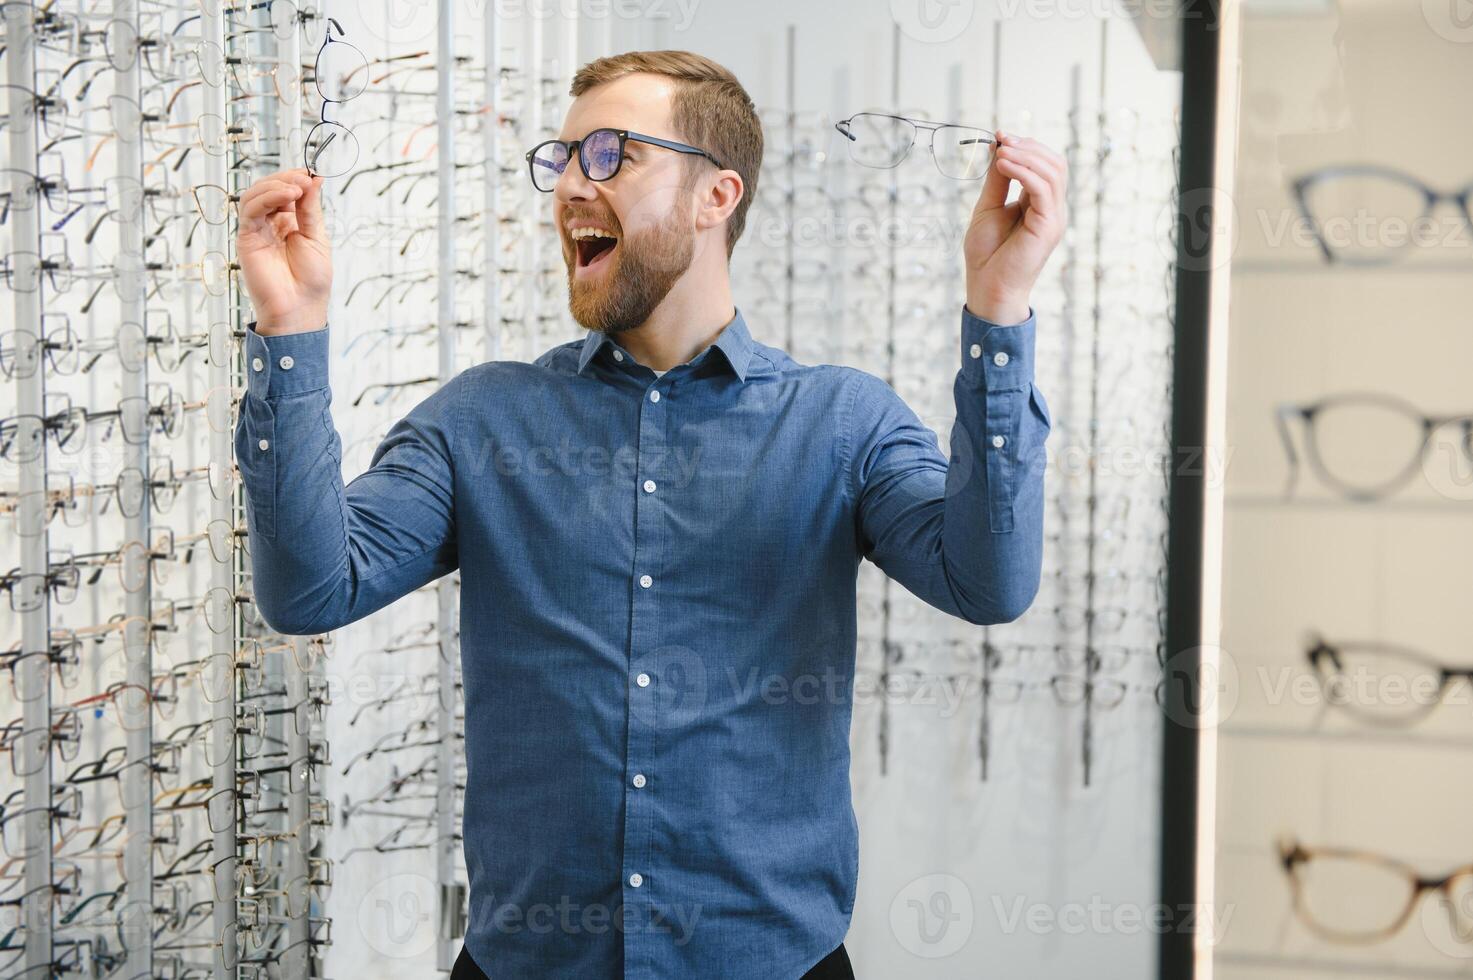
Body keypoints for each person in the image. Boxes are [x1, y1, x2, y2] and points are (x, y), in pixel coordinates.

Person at [234, 49, 1062, 980]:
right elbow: (310, 590)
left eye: (610, 155)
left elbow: (987, 583)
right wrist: (292, 329)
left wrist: (999, 311)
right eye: (563, 158)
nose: (571, 189)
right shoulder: (481, 420)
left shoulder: (843, 423)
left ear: (716, 196)